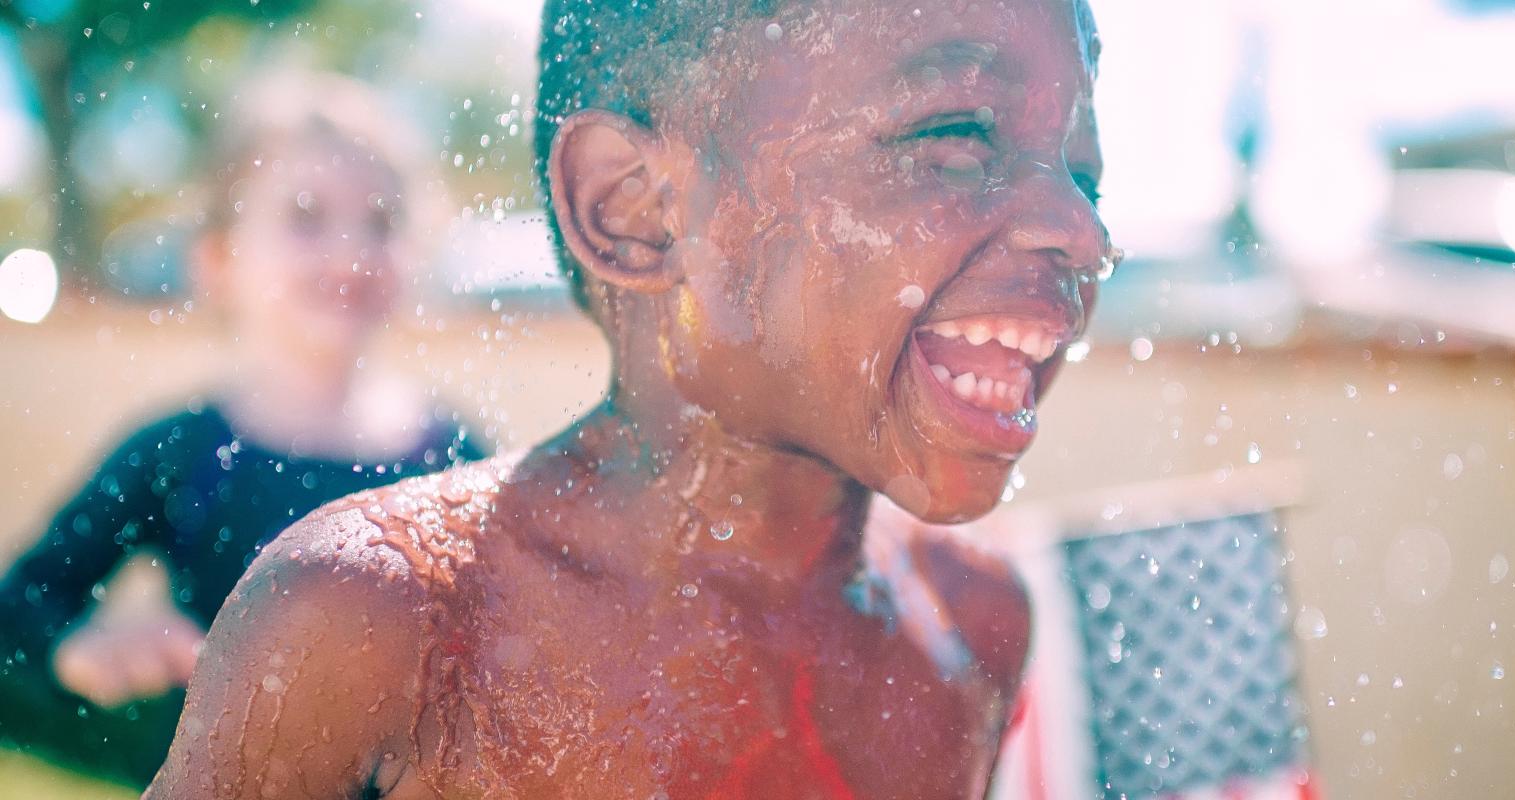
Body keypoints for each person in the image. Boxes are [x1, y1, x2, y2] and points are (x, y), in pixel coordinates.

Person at [148, 1, 1116, 796]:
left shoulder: (972, 620)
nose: (1080, 230)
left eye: (1084, 175)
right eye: (955, 137)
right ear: (634, 207)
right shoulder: (386, 616)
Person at [0, 70, 482, 788]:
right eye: (306, 216)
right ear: (219, 260)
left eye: (380, 221)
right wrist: (77, 651)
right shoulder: (180, 454)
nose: (350, 252)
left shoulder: (455, 463)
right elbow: (17, 614)